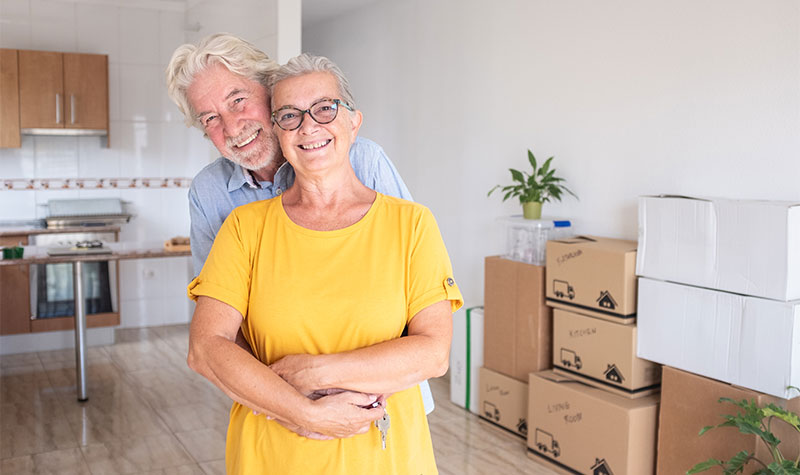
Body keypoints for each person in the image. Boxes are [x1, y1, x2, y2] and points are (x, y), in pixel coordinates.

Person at [186, 53, 462, 473]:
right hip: (273, 452)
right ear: (278, 133)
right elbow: (207, 348)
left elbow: (432, 354)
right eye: (291, 116)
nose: (309, 126)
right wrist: (304, 412)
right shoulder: (243, 227)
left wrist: (313, 373)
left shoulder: (413, 224)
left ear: (354, 121)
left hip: (383, 453)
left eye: (325, 108)